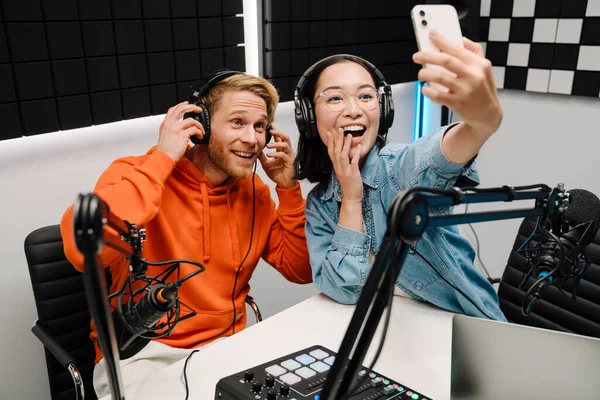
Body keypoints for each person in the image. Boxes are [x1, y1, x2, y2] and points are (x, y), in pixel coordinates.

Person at [60, 71, 313, 396]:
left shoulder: (256, 193)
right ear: (200, 125)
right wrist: (164, 158)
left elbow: (300, 269)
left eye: (260, 126)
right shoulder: (135, 174)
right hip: (144, 354)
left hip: (227, 347)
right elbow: (81, 253)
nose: (252, 139)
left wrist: (289, 188)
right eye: (237, 122)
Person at [293, 30, 506, 320]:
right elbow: (344, 289)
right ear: (309, 117)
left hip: (461, 329)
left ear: (383, 109)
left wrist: (481, 124)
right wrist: (351, 200)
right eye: (335, 99)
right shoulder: (320, 204)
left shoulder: (397, 168)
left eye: (365, 96)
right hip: (386, 333)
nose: (353, 110)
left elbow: (436, 158)